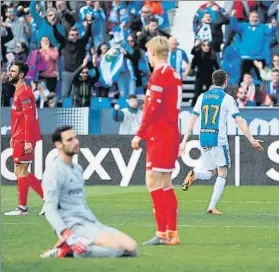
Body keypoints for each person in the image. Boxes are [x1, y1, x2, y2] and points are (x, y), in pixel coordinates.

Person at [40, 126, 138, 258]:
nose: (75, 142)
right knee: (118, 249)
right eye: (69, 140)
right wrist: (65, 233)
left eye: (75, 137)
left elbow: (81, 204)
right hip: (74, 227)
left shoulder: (77, 169)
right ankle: (68, 251)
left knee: (132, 248)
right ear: (58, 145)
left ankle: (74, 248)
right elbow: (50, 209)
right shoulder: (54, 171)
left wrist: (95, 223)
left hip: (90, 223)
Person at [179, 70, 264, 215]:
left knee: (210, 172)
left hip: (204, 137)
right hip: (218, 139)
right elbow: (239, 120)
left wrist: (184, 140)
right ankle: (211, 206)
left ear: (213, 81)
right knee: (222, 172)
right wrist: (251, 139)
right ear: (225, 82)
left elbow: (192, 118)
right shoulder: (227, 99)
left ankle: (195, 173)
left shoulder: (202, 97)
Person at [131, 36, 182, 246]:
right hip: (169, 133)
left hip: (160, 134)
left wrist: (139, 133)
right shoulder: (174, 74)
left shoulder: (160, 75)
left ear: (152, 53)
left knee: (153, 180)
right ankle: (171, 232)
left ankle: (162, 232)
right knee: (165, 182)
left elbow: (152, 107)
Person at [4, 60, 44, 216]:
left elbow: (29, 118)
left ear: (21, 74)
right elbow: (18, 118)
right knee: (20, 171)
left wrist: (27, 140)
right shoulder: (18, 91)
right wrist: (13, 137)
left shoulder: (25, 92)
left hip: (24, 138)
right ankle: (26, 206)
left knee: (21, 171)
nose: (9, 73)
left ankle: (24, 207)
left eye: (12, 71)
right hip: (19, 137)